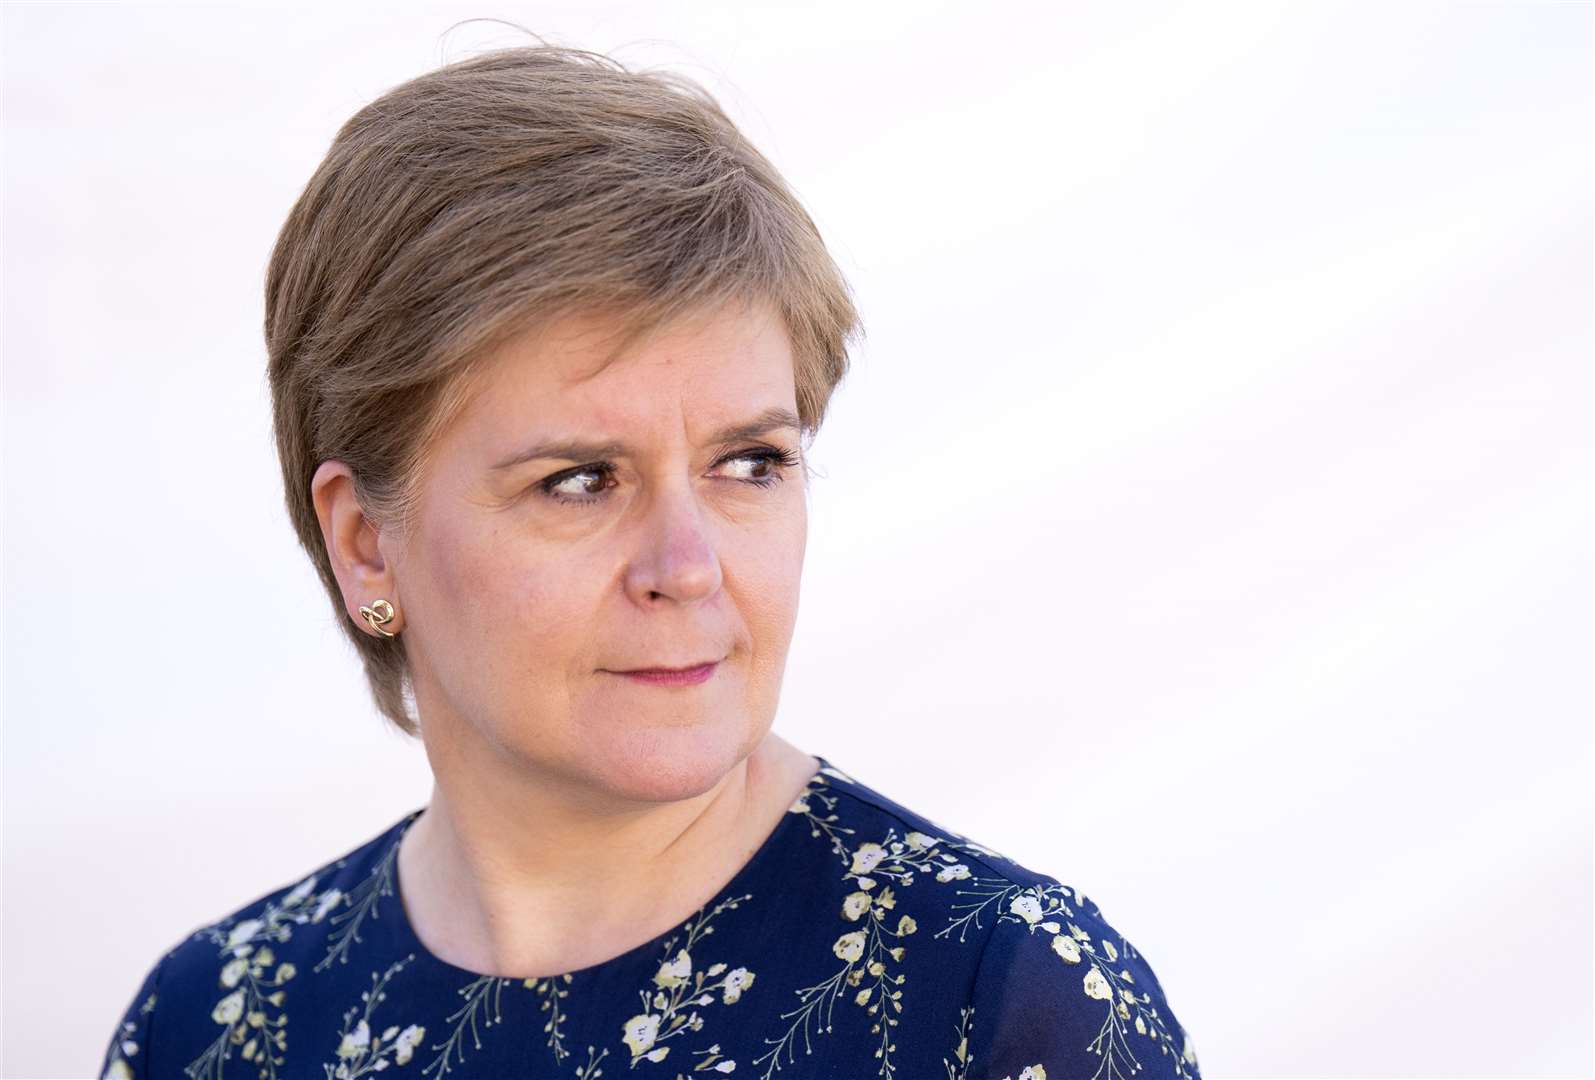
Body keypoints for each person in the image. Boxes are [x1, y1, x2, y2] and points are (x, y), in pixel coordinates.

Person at [99, 41, 1202, 1080]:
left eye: (749, 462)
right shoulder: (219, 1027)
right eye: (580, 480)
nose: (688, 565)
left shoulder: (995, 1003)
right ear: (363, 542)